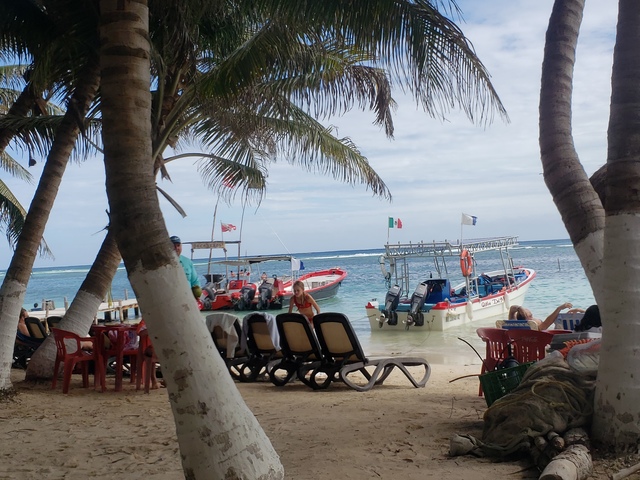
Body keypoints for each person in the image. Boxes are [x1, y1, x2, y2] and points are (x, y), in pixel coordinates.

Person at [508, 302, 574, 330]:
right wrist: (559, 308)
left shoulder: (514, 325)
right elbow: (548, 321)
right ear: (529, 319)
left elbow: (512, 309)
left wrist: (519, 308)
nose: (533, 317)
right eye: (531, 316)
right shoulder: (534, 328)